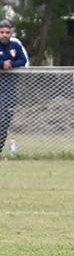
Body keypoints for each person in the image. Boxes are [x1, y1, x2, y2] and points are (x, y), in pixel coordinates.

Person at [0, 20, 28, 156]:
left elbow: (23, 60)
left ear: (11, 33)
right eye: (2, 32)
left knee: (5, 121)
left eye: (7, 32)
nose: (4, 35)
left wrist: (12, 64)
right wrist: (1, 64)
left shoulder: (15, 45)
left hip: (9, 89)